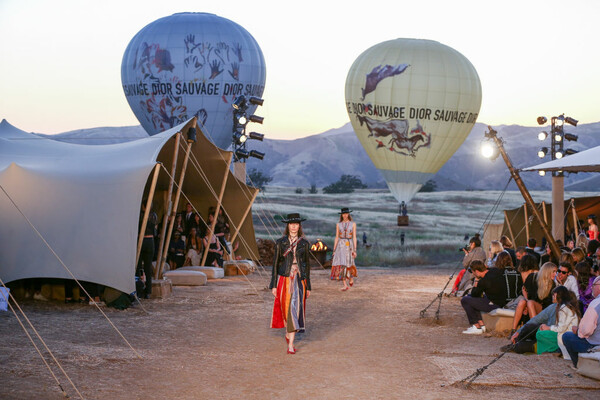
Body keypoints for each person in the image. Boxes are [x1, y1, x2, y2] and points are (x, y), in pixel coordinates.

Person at [269, 213, 311, 354]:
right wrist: (273, 285)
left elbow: (306, 266)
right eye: (291, 224)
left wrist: (308, 286)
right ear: (288, 225)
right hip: (284, 279)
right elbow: (275, 264)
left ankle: (291, 345)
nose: (294, 226)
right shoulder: (280, 243)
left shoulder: (304, 244)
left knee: (294, 309)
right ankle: (288, 331)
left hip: (299, 280)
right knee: (285, 308)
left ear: (299, 226)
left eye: (296, 224)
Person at [461, 260, 511, 334]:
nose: (473, 274)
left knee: (465, 300)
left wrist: (476, 280)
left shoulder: (483, 281)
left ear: (477, 271)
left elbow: (474, 294)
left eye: (473, 272)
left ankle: (476, 326)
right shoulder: (495, 270)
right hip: (502, 299)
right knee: (470, 298)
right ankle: (481, 324)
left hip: (495, 304)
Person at [562, 276, 600, 368]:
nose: (592, 288)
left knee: (567, 336)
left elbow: (587, 330)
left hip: (595, 344)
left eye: (593, 285)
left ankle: (578, 365)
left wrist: (578, 331)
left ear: (599, 287)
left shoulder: (595, 304)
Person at [535, 286, 580, 358]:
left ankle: (554, 349)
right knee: (540, 330)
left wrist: (549, 328)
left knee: (540, 334)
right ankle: (550, 350)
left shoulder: (564, 308)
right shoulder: (565, 306)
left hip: (564, 334)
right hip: (564, 333)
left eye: (554, 295)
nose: (553, 296)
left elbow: (561, 328)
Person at [511, 254, 539, 332]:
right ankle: (514, 330)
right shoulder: (538, 272)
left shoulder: (524, 273)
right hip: (533, 300)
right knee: (522, 302)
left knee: (522, 302)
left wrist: (526, 299)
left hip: (533, 300)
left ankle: (514, 329)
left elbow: (525, 290)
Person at [331, 207, 357, 291]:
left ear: (348, 214)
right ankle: (345, 284)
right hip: (341, 245)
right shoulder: (338, 224)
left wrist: (354, 249)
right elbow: (336, 237)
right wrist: (334, 250)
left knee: (349, 262)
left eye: (346, 214)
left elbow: (354, 237)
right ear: (341, 215)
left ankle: (351, 277)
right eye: (343, 214)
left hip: (349, 245)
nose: (345, 215)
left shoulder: (353, 224)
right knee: (342, 263)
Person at [137, 202, 158, 299]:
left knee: (138, 266)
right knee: (147, 267)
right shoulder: (154, 215)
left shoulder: (142, 215)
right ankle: (148, 291)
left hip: (143, 240)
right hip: (151, 240)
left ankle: (139, 290)